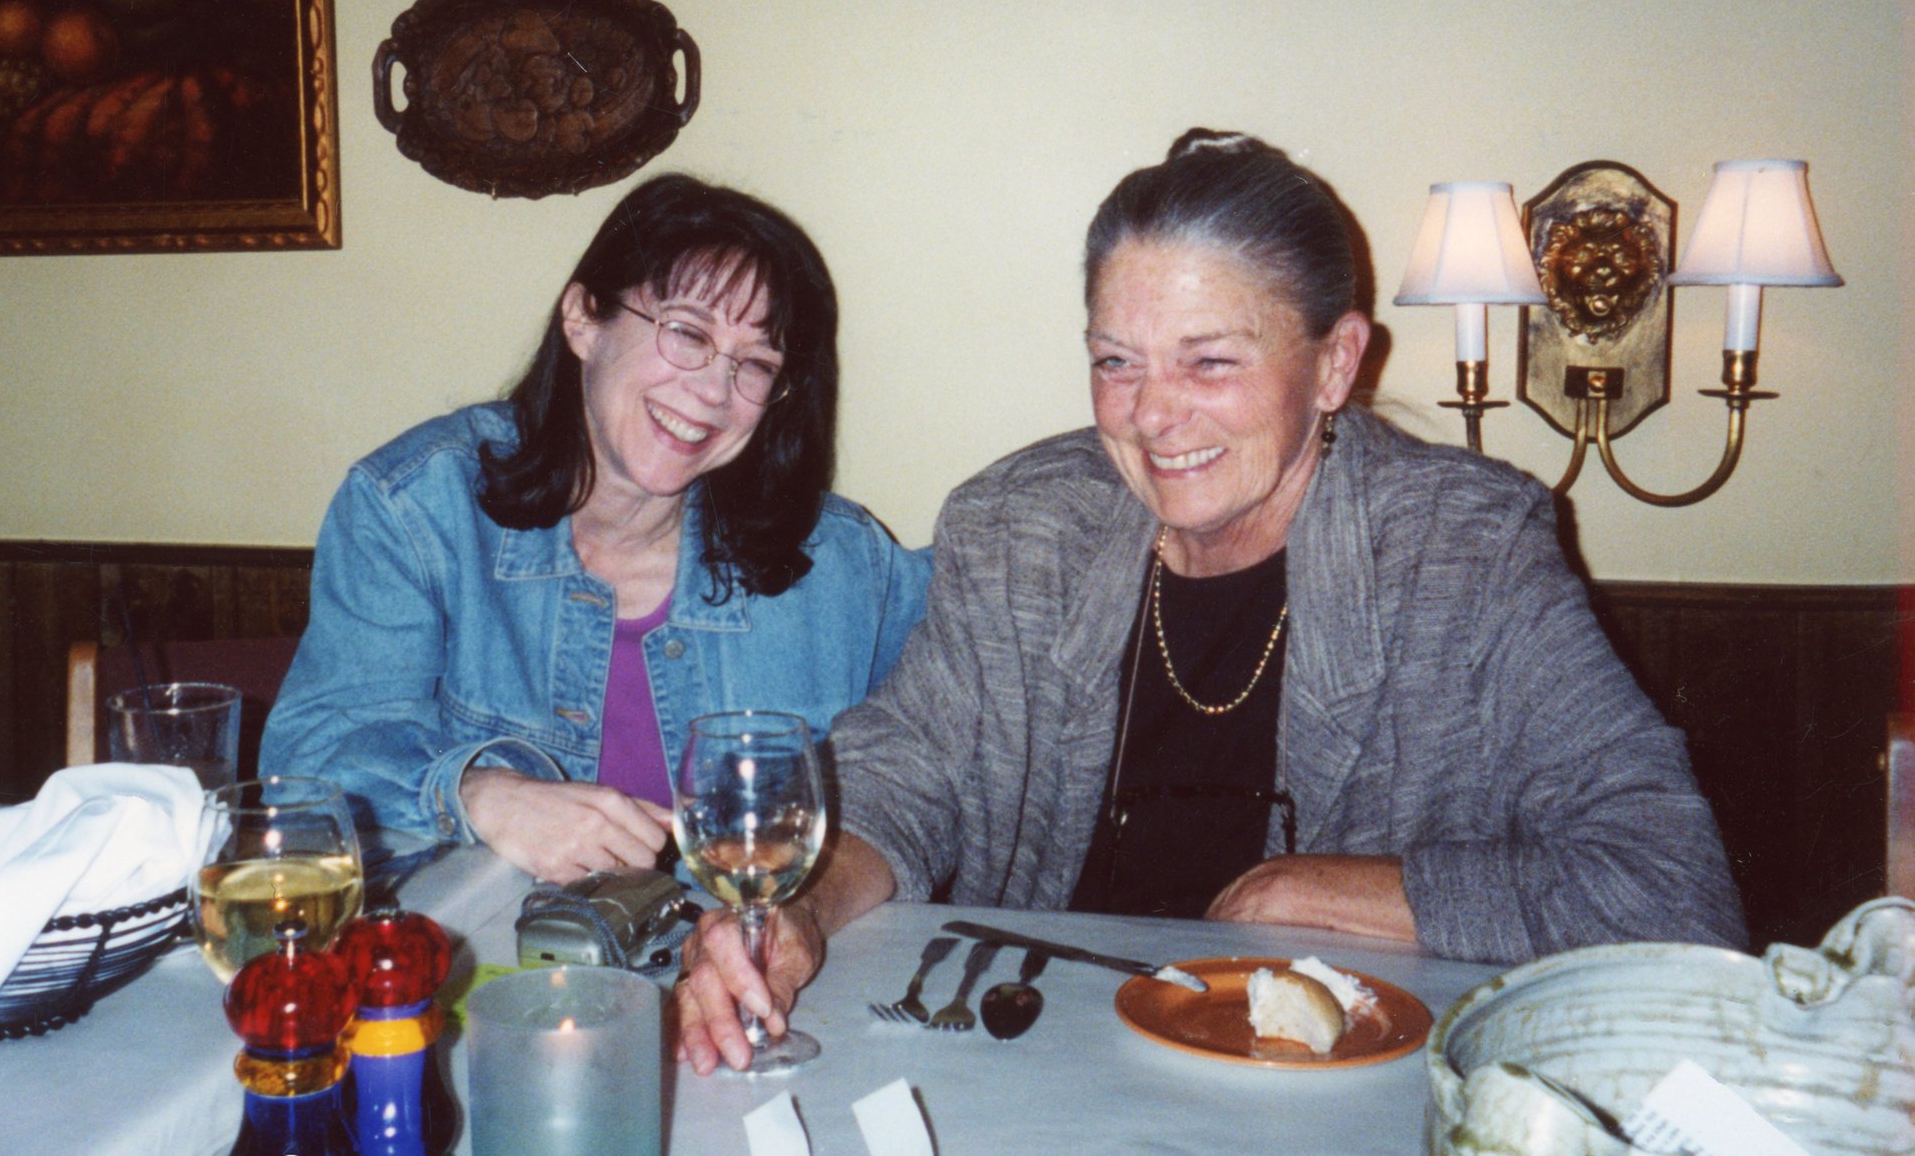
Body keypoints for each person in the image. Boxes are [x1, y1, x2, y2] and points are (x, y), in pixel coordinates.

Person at [676, 129, 1744, 1074]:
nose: (1150, 414)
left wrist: (1348, 894)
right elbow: (904, 777)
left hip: (1330, 1097)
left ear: (1333, 364)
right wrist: (795, 916)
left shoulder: (1462, 551)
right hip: (1040, 1062)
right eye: (1115, 360)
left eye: (1211, 360)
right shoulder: (1019, 525)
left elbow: (1672, 891)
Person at [261, 174, 930, 883]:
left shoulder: (841, 563)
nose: (712, 392)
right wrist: (480, 794)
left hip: (752, 965)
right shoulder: (417, 510)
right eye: (686, 334)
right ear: (582, 318)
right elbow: (312, 755)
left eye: (755, 365)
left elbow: (946, 746)